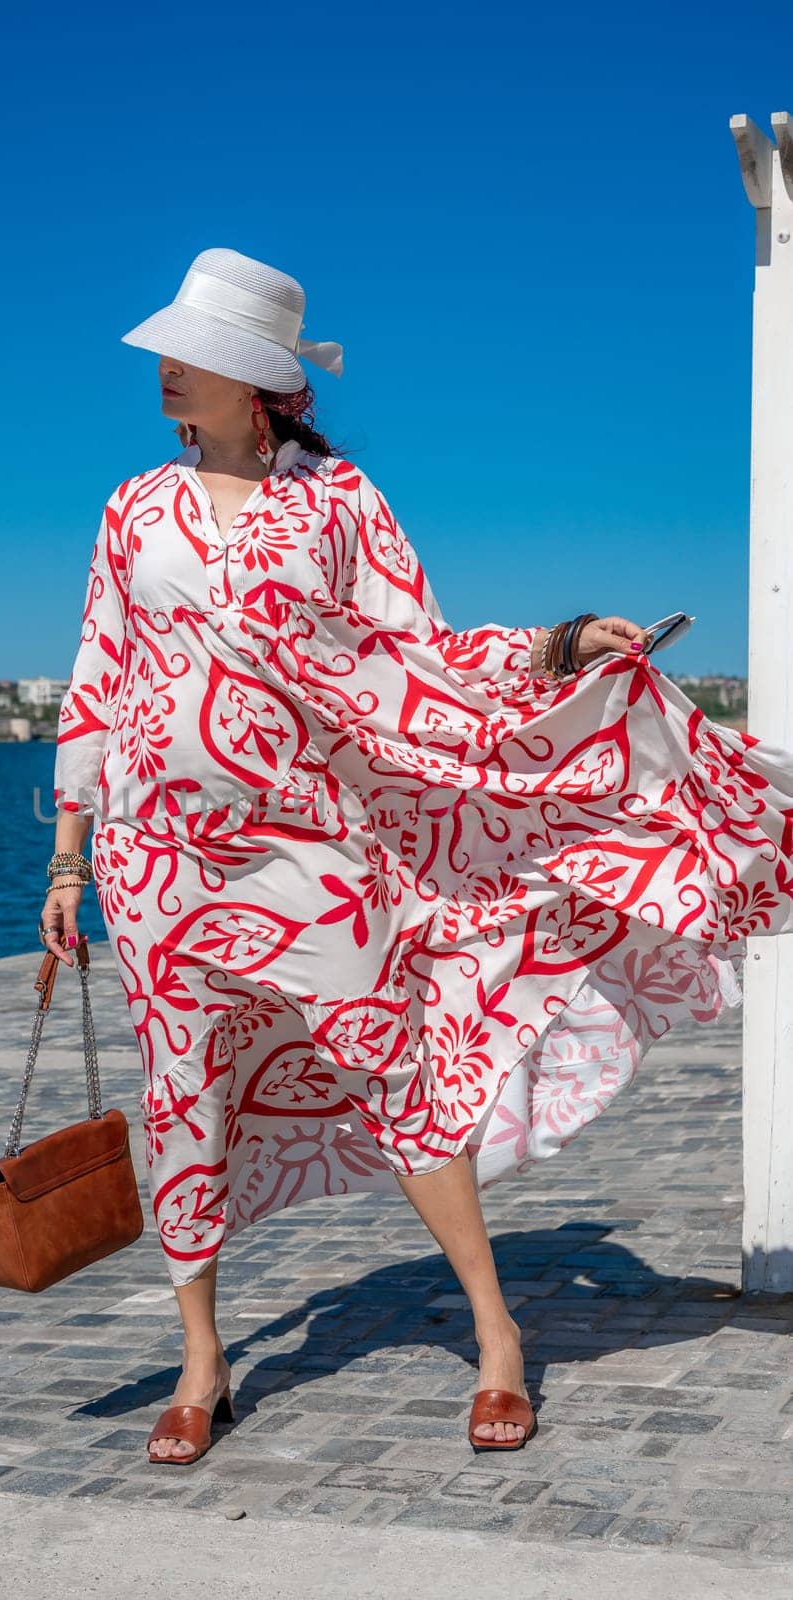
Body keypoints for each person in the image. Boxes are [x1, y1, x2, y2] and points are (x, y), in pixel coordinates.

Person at [38, 247, 793, 1464]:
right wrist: (69, 860)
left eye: (191, 355)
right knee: (184, 1097)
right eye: (169, 353)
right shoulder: (132, 510)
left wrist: (554, 648)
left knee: (397, 1079)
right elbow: (96, 677)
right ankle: (202, 1358)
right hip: (157, 859)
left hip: (310, 849)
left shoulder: (340, 506)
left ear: (260, 384)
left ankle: (496, 1335)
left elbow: (419, 656)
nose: (167, 370)